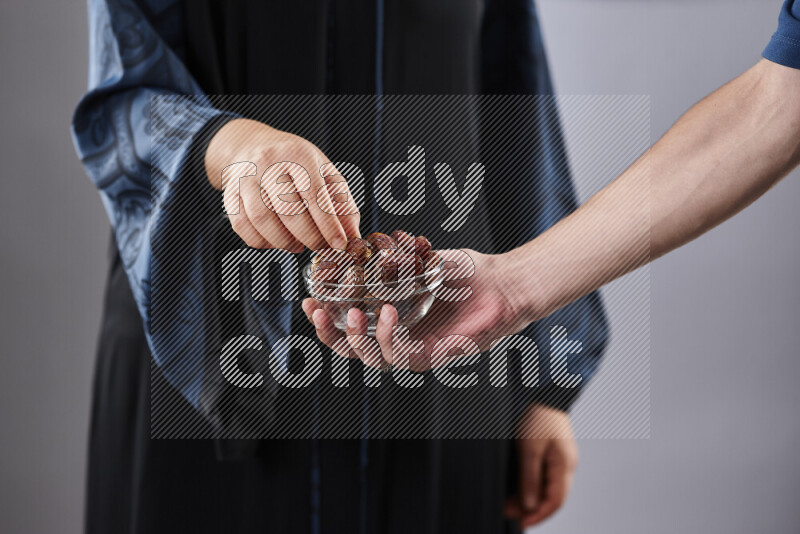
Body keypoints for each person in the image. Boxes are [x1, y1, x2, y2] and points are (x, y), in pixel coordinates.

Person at [72, 0, 607, 533]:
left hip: (442, 353)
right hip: (205, 352)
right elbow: (121, 103)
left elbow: (516, 107)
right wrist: (231, 146)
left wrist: (547, 380)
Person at [308, 0, 800, 523]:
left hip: (452, 358)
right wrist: (243, 142)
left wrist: (547, 370)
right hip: (267, 375)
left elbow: (519, 119)